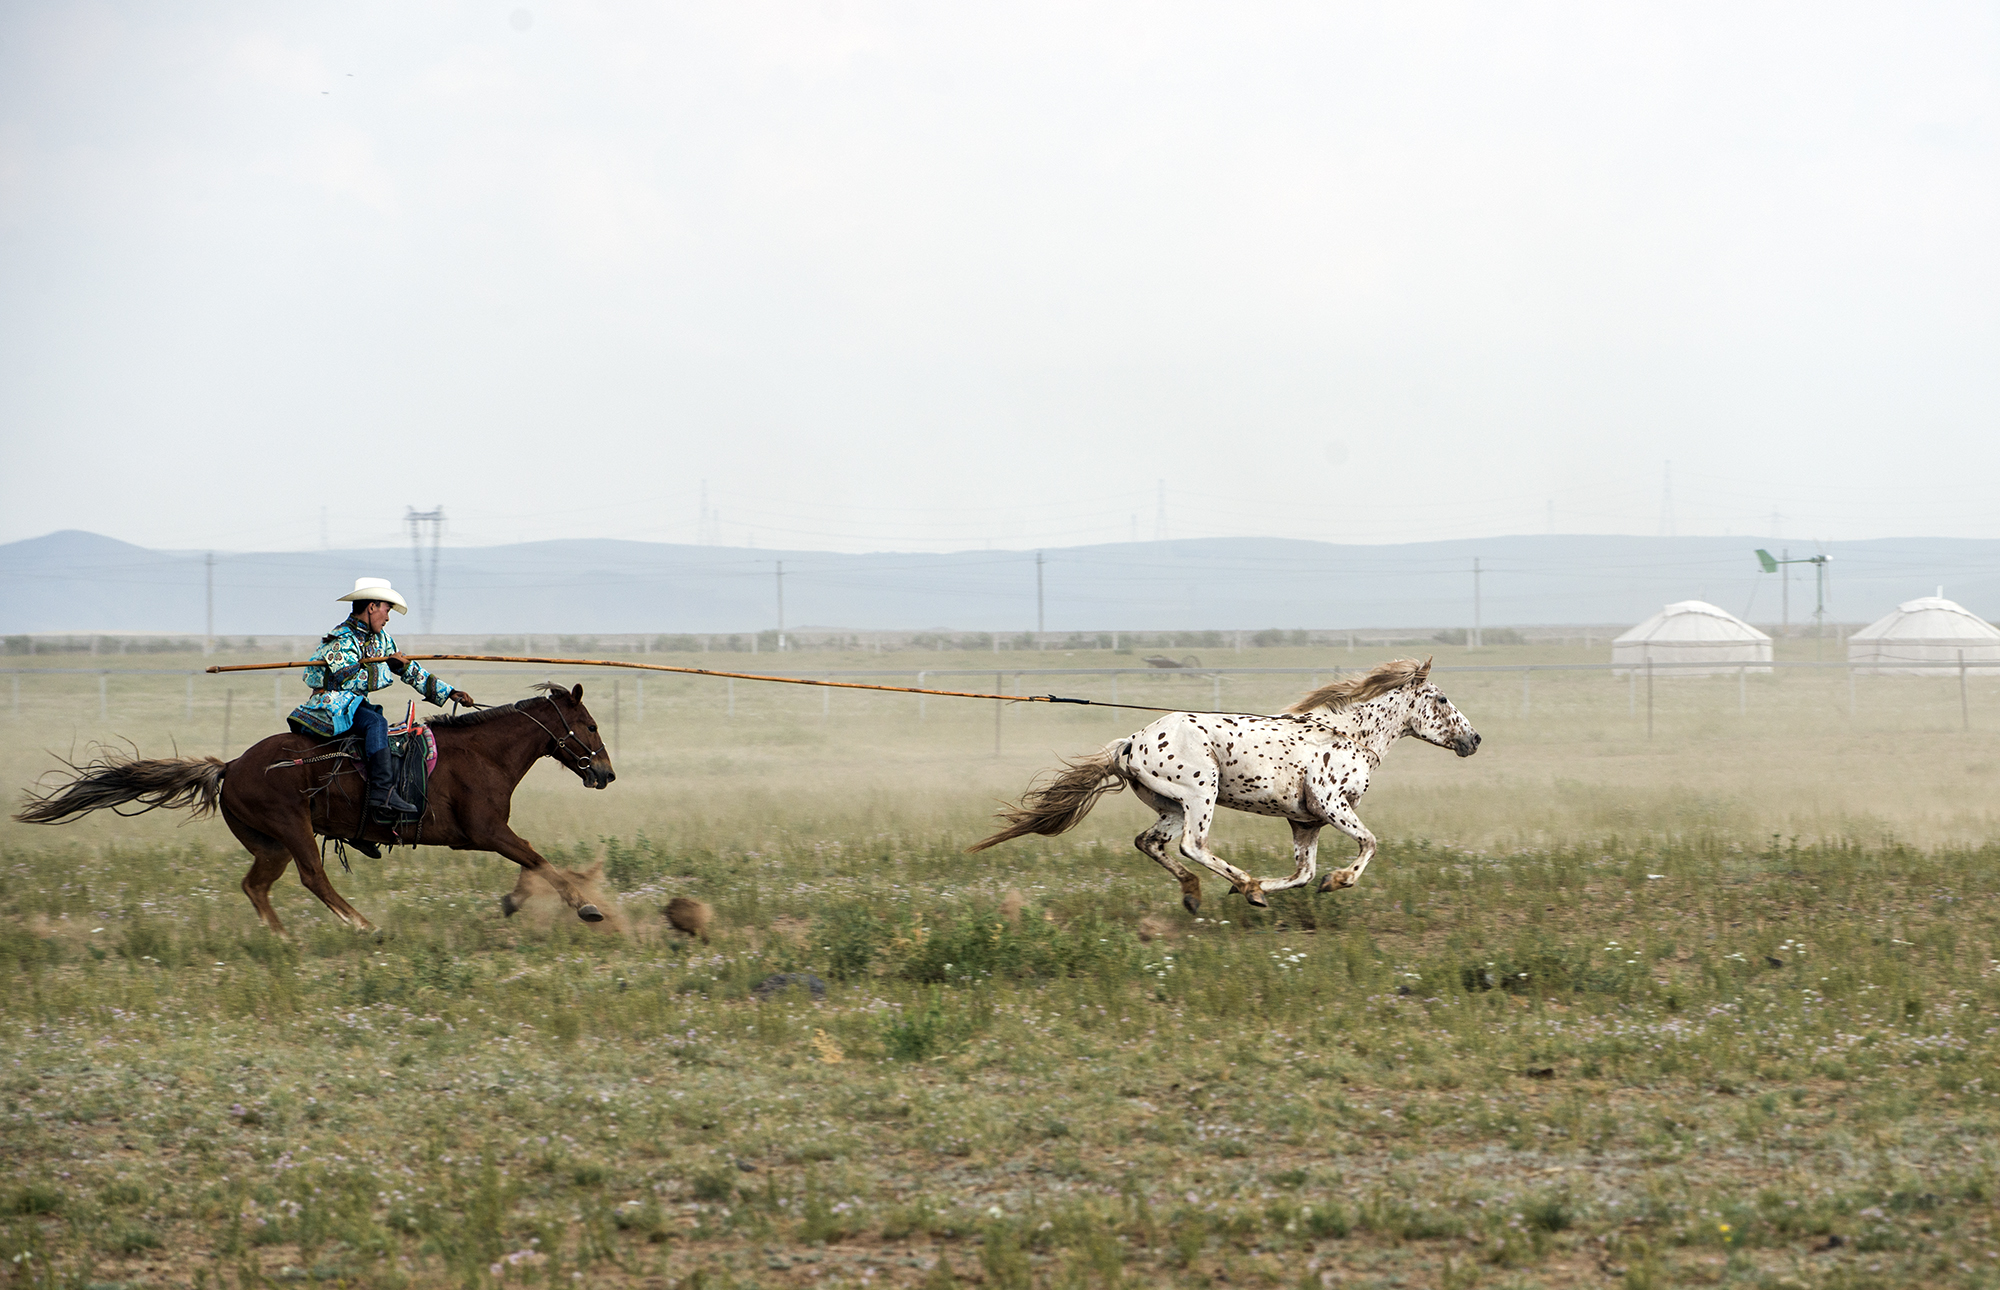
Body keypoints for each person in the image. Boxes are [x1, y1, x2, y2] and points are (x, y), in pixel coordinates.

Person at [290, 577, 475, 818]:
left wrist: (449, 692)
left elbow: (410, 670)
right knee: (377, 722)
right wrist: (388, 667)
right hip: (329, 705)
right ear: (372, 607)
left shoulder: (382, 639)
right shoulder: (340, 640)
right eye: (387, 610)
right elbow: (351, 680)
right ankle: (382, 792)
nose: (387, 618)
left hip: (353, 705)